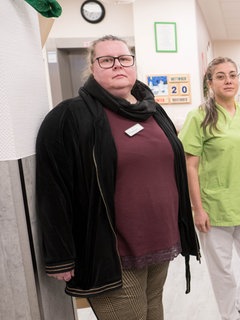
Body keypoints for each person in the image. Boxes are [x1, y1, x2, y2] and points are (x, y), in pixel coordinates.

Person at [35, 35, 200, 319]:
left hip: (160, 240)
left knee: (153, 311)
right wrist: (60, 256)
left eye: (124, 59)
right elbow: (53, 191)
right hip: (112, 252)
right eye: (107, 60)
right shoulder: (70, 117)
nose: (117, 66)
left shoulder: (153, 110)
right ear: (92, 67)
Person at [178, 57, 240, 320]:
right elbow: (189, 166)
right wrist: (197, 209)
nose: (228, 80)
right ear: (210, 82)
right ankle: (229, 315)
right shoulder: (199, 117)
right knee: (222, 270)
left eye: (232, 75)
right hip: (214, 207)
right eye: (220, 76)